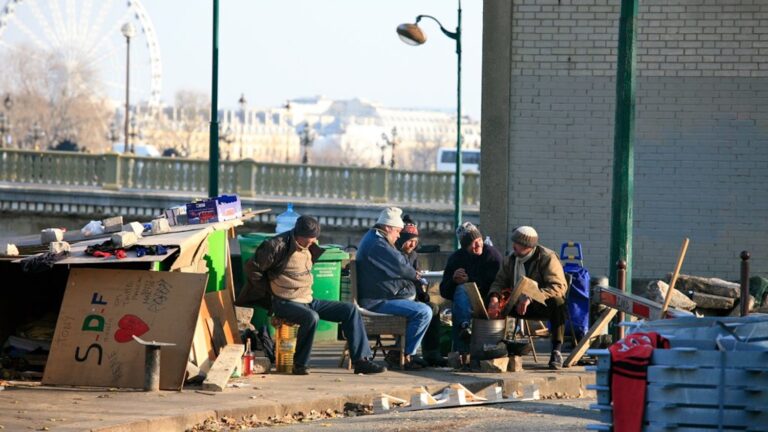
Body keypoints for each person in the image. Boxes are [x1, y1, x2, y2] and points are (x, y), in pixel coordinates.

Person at [243, 215, 386, 375]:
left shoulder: (309, 246)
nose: (312, 243)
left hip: (307, 300)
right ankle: (300, 364)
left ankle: (361, 361)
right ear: (297, 235)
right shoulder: (276, 245)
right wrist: (269, 292)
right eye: (308, 240)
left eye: (314, 239)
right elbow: (252, 268)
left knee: (350, 310)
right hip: (284, 301)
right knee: (311, 317)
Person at [356, 207, 433, 370]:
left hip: (378, 295)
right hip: (376, 301)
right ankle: (404, 355)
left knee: (413, 299)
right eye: (398, 231)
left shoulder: (374, 238)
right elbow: (400, 265)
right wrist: (417, 276)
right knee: (424, 312)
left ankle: (399, 351)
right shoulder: (378, 244)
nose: (399, 235)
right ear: (388, 228)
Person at [486, 226, 568, 369]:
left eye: (517, 244)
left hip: (541, 305)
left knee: (558, 303)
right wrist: (494, 297)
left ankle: (556, 351)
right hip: (516, 304)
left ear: (527, 246)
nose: (513, 246)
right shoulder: (511, 259)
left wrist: (531, 297)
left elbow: (559, 287)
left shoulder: (547, 258)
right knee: (490, 302)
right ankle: (495, 347)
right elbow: (499, 281)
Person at [439, 222, 503, 367]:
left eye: (479, 241)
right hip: (465, 302)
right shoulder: (456, 258)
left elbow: (497, 283)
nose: (477, 245)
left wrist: (471, 281)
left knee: (463, 288)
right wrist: (453, 280)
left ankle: (463, 332)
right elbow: (444, 291)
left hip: (489, 299)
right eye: (473, 243)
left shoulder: (492, 255)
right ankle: (464, 331)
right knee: (461, 289)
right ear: (465, 246)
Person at [395, 215, 447, 367]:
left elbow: (416, 278)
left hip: (412, 294)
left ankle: (432, 352)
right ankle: (410, 352)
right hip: (400, 297)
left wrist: (421, 293)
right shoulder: (395, 255)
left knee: (434, 308)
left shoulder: (413, 255)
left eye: (415, 242)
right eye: (409, 241)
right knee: (424, 310)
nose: (412, 244)